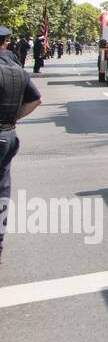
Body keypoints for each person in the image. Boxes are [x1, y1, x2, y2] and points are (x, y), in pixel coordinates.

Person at [0, 26, 43, 263]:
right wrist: (12, 119)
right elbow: (37, 99)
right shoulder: (17, 71)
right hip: (7, 134)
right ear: (6, 43)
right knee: (2, 191)